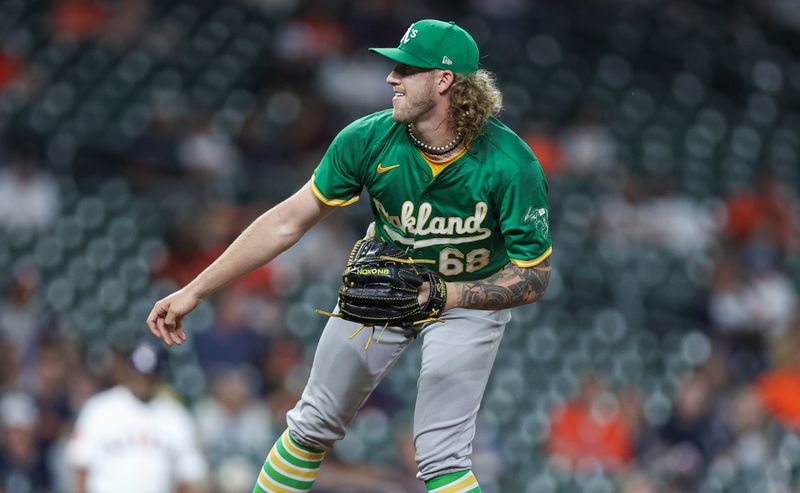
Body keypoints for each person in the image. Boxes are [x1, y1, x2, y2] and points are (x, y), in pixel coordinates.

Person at [148, 19, 552, 493]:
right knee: (310, 425)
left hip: (467, 300)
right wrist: (195, 289)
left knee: (442, 457)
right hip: (387, 286)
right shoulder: (366, 138)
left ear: (444, 81)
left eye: (406, 69)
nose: (391, 78)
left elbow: (534, 276)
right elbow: (287, 221)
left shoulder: (511, 163)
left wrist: (448, 293)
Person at [66, 341, 207, 493]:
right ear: (128, 372)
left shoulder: (176, 417)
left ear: (160, 376)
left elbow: (188, 477)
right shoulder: (99, 409)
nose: (143, 382)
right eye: (138, 375)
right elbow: (81, 468)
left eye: (149, 376)